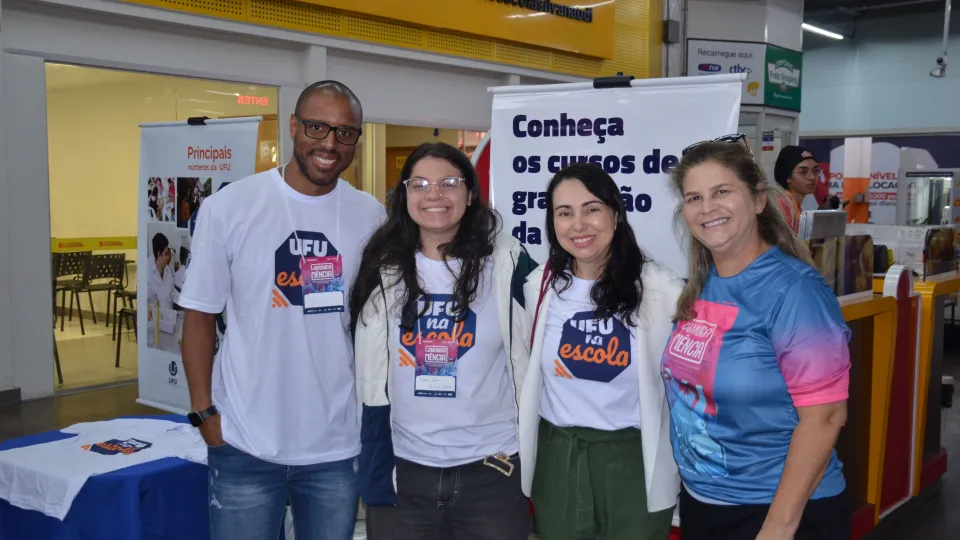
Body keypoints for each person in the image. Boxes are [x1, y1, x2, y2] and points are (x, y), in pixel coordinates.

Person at [179, 80, 386, 540]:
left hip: (335, 448)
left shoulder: (370, 216)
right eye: (317, 127)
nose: (330, 143)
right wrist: (203, 413)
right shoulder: (230, 207)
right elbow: (198, 316)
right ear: (293, 127)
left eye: (345, 132)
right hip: (243, 442)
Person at [663, 138, 851, 540]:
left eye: (722, 191)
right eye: (694, 197)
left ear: (759, 200)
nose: (707, 207)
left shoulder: (796, 291)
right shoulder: (701, 285)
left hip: (780, 513)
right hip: (705, 505)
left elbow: (826, 418)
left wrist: (778, 528)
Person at [352, 142, 537, 540]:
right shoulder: (380, 266)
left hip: (493, 472)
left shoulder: (508, 263)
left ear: (470, 195)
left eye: (448, 183)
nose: (433, 194)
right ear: (404, 195)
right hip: (403, 472)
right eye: (419, 184)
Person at [518, 163, 683, 540]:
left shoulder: (662, 290)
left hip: (633, 460)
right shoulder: (538, 286)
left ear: (616, 214)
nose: (579, 225)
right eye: (564, 213)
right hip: (559, 457)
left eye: (592, 209)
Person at [773, 145, 834, 232]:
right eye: (803, 172)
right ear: (788, 177)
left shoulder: (793, 205)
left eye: (816, 171)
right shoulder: (783, 206)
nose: (812, 177)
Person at [147, 232, 175, 314]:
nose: (168, 257)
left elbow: (172, 293)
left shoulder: (168, 271)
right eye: (166, 254)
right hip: (152, 322)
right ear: (159, 254)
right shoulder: (146, 271)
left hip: (167, 321)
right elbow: (142, 298)